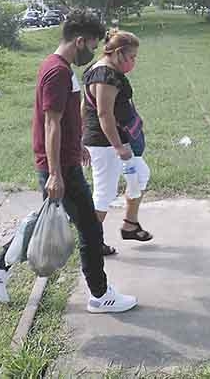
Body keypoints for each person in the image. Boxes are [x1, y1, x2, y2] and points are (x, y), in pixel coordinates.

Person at [0, 9, 137, 314]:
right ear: (79, 41)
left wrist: (78, 145)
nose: (92, 52)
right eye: (91, 46)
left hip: (65, 161)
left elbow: (64, 120)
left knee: (47, 221)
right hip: (59, 168)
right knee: (90, 230)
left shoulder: (60, 67)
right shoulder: (58, 71)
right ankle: (100, 295)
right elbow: (50, 123)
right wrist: (54, 173)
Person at [82, 29, 152, 256]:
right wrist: (118, 146)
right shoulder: (104, 75)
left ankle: (130, 225)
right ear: (119, 53)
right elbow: (104, 114)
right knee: (104, 193)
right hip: (105, 144)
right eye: (131, 57)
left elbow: (85, 106)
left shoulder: (104, 69)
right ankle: (90, 243)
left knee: (141, 175)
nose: (134, 62)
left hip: (113, 141)